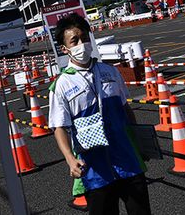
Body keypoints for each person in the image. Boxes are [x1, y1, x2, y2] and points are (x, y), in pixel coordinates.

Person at [48, 13, 151, 215]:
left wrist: (140, 142)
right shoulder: (61, 84)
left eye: (85, 38)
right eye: (74, 41)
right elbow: (59, 127)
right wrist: (70, 158)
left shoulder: (111, 72)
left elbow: (126, 109)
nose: (82, 44)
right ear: (64, 48)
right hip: (95, 170)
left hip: (128, 160)